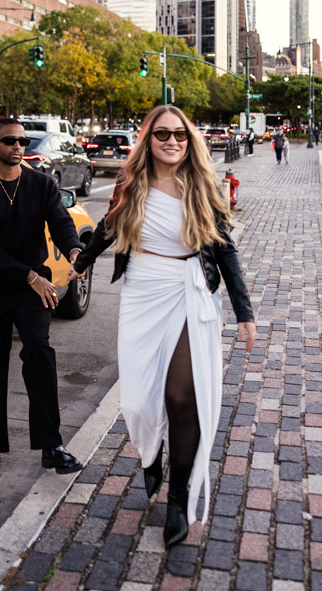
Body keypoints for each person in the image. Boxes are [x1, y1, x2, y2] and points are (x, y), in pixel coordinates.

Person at [68, 105, 255, 549]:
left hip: (189, 291)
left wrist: (244, 312)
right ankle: (150, 456)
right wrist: (83, 261)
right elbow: (110, 229)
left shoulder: (203, 186)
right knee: (136, 402)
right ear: (148, 140)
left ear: (190, 141)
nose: (173, 142)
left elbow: (225, 251)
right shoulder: (130, 184)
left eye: (180, 135)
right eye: (163, 135)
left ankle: (178, 497)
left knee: (179, 397)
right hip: (142, 291)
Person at [0, 117, 84, 484]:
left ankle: (51, 445)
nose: (17, 146)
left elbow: (60, 222)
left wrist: (74, 250)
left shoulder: (42, 184)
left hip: (33, 287)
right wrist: (30, 276)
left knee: (39, 351)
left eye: (22, 141)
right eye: (10, 141)